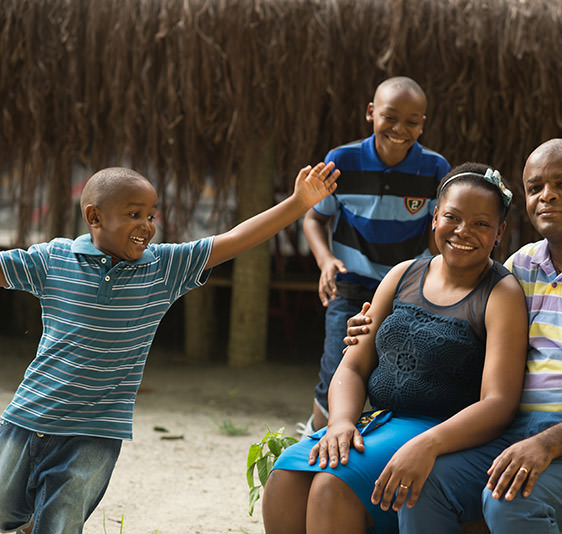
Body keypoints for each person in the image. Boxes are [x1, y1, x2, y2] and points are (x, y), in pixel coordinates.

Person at [345, 139, 562, 533]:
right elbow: (456, 325)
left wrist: (546, 444)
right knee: (424, 486)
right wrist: (377, 328)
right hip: (519, 432)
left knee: (512, 502)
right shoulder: (521, 266)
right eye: (535, 187)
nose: (547, 195)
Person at [0, 162, 339, 534]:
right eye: (134, 214)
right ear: (94, 217)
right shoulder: (54, 259)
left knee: (60, 523)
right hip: (27, 417)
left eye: (151, 215)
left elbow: (235, 239)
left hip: (95, 432)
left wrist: (297, 203)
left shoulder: (163, 268)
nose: (147, 225)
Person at [262, 163, 528, 534]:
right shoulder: (403, 275)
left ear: (499, 232)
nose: (463, 231)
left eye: (481, 223)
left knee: (332, 485)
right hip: (381, 421)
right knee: (285, 479)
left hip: (441, 430)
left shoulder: (500, 294)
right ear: (434, 217)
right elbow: (353, 365)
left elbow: (498, 403)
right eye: (452, 217)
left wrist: (429, 444)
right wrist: (341, 423)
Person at [301, 76, 450, 435]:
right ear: (371, 112)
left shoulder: (435, 169)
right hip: (350, 287)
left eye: (412, 121)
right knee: (336, 371)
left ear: (423, 124)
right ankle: (313, 442)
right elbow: (314, 218)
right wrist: (325, 261)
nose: (400, 129)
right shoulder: (342, 161)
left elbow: (438, 234)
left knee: (402, 374)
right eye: (390, 117)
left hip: (406, 293)